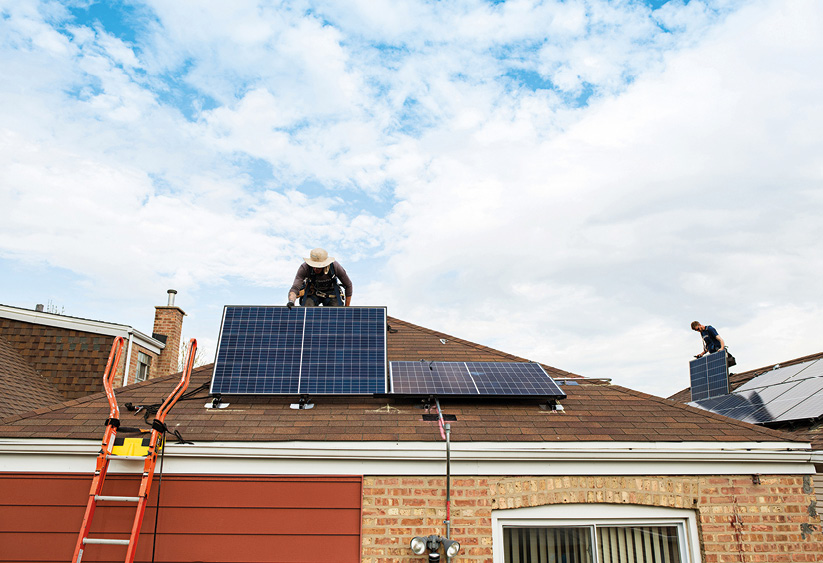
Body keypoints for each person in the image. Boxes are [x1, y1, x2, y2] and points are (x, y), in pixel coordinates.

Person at [287, 248, 353, 307]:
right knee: (307, 308)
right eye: (314, 265)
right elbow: (295, 288)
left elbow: (348, 285)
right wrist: (291, 301)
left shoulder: (335, 267)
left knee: (336, 312)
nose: (316, 268)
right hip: (313, 292)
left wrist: (346, 309)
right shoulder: (304, 268)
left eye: (319, 267)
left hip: (331, 293)